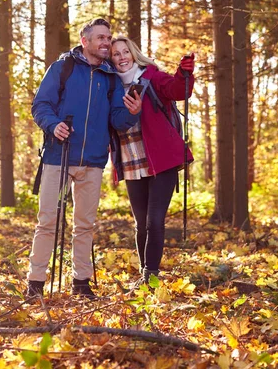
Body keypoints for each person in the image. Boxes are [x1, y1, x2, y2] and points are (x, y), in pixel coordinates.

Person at [27, 19, 141, 298]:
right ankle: (35, 283)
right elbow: (40, 105)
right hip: (58, 157)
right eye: (100, 37)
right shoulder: (62, 69)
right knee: (47, 222)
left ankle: (81, 282)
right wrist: (54, 125)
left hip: (93, 161)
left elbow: (117, 120)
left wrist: (132, 113)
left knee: (85, 225)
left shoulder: (111, 77)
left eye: (109, 38)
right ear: (84, 40)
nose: (106, 42)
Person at [110, 36, 195, 285]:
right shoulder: (111, 87)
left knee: (154, 220)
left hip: (161, 160)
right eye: (116, 54)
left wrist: (183, 73)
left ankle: (151, 276)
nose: (122, 57)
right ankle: (143, 274)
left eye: (126, 51)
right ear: (111, 59)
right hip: (131, 161)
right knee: (140, 224)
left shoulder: (152, 77)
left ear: (134, 54)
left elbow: (178, 91)